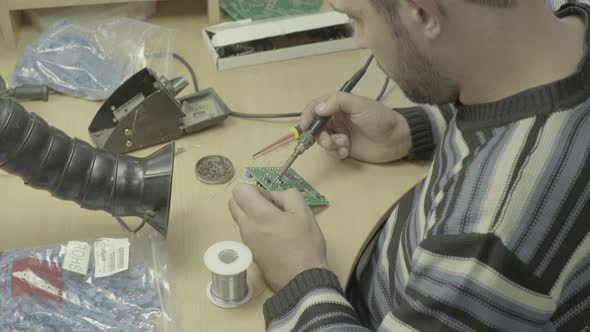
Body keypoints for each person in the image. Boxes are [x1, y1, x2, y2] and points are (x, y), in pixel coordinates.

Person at [228, 0, 590, 330]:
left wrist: (298, 274)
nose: (360, 41)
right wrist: (408, 133)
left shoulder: (487, 241)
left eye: (357, 19)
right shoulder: (566, 33)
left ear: (423, 13)